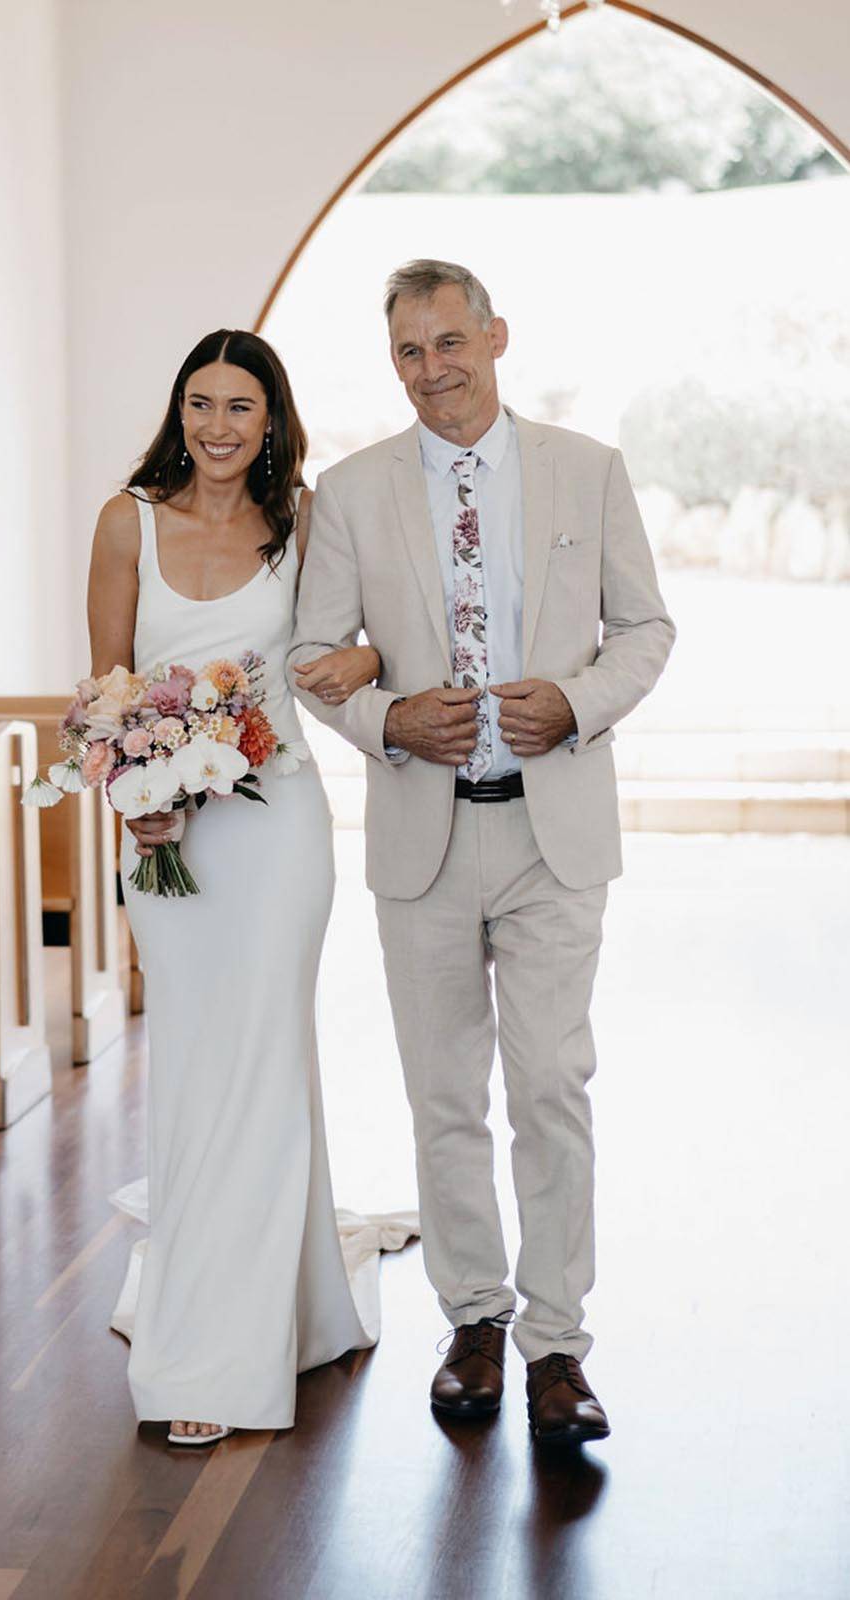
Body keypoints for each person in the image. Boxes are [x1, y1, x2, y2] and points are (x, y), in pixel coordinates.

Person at [289, 259, 675, 1444]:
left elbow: (646, 627)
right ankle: (471, 1319)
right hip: (423, 832)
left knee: (551, 1087)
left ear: (496, 337)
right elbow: (314, 651)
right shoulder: (351, 492)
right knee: (442, 1094)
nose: (431, 370)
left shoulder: (585, 470)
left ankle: (557, 1343)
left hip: (552, 826)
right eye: (408, 352)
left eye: (449, 342)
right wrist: (386, 720)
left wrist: (577, 699)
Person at [87, 328, 415, 1446]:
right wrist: (142, 787)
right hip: (168, 839)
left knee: (267, 1054)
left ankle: (224, 1352)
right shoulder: (125, 520)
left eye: (239, 407)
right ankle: (259, 1300)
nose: (216, 426)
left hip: (277, 825)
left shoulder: (307, 522)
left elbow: (361, 645)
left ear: (270, 419)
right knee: (194, 1058)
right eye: (199, 403)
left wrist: (362, 663)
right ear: (177, 412)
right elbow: (107, 688)